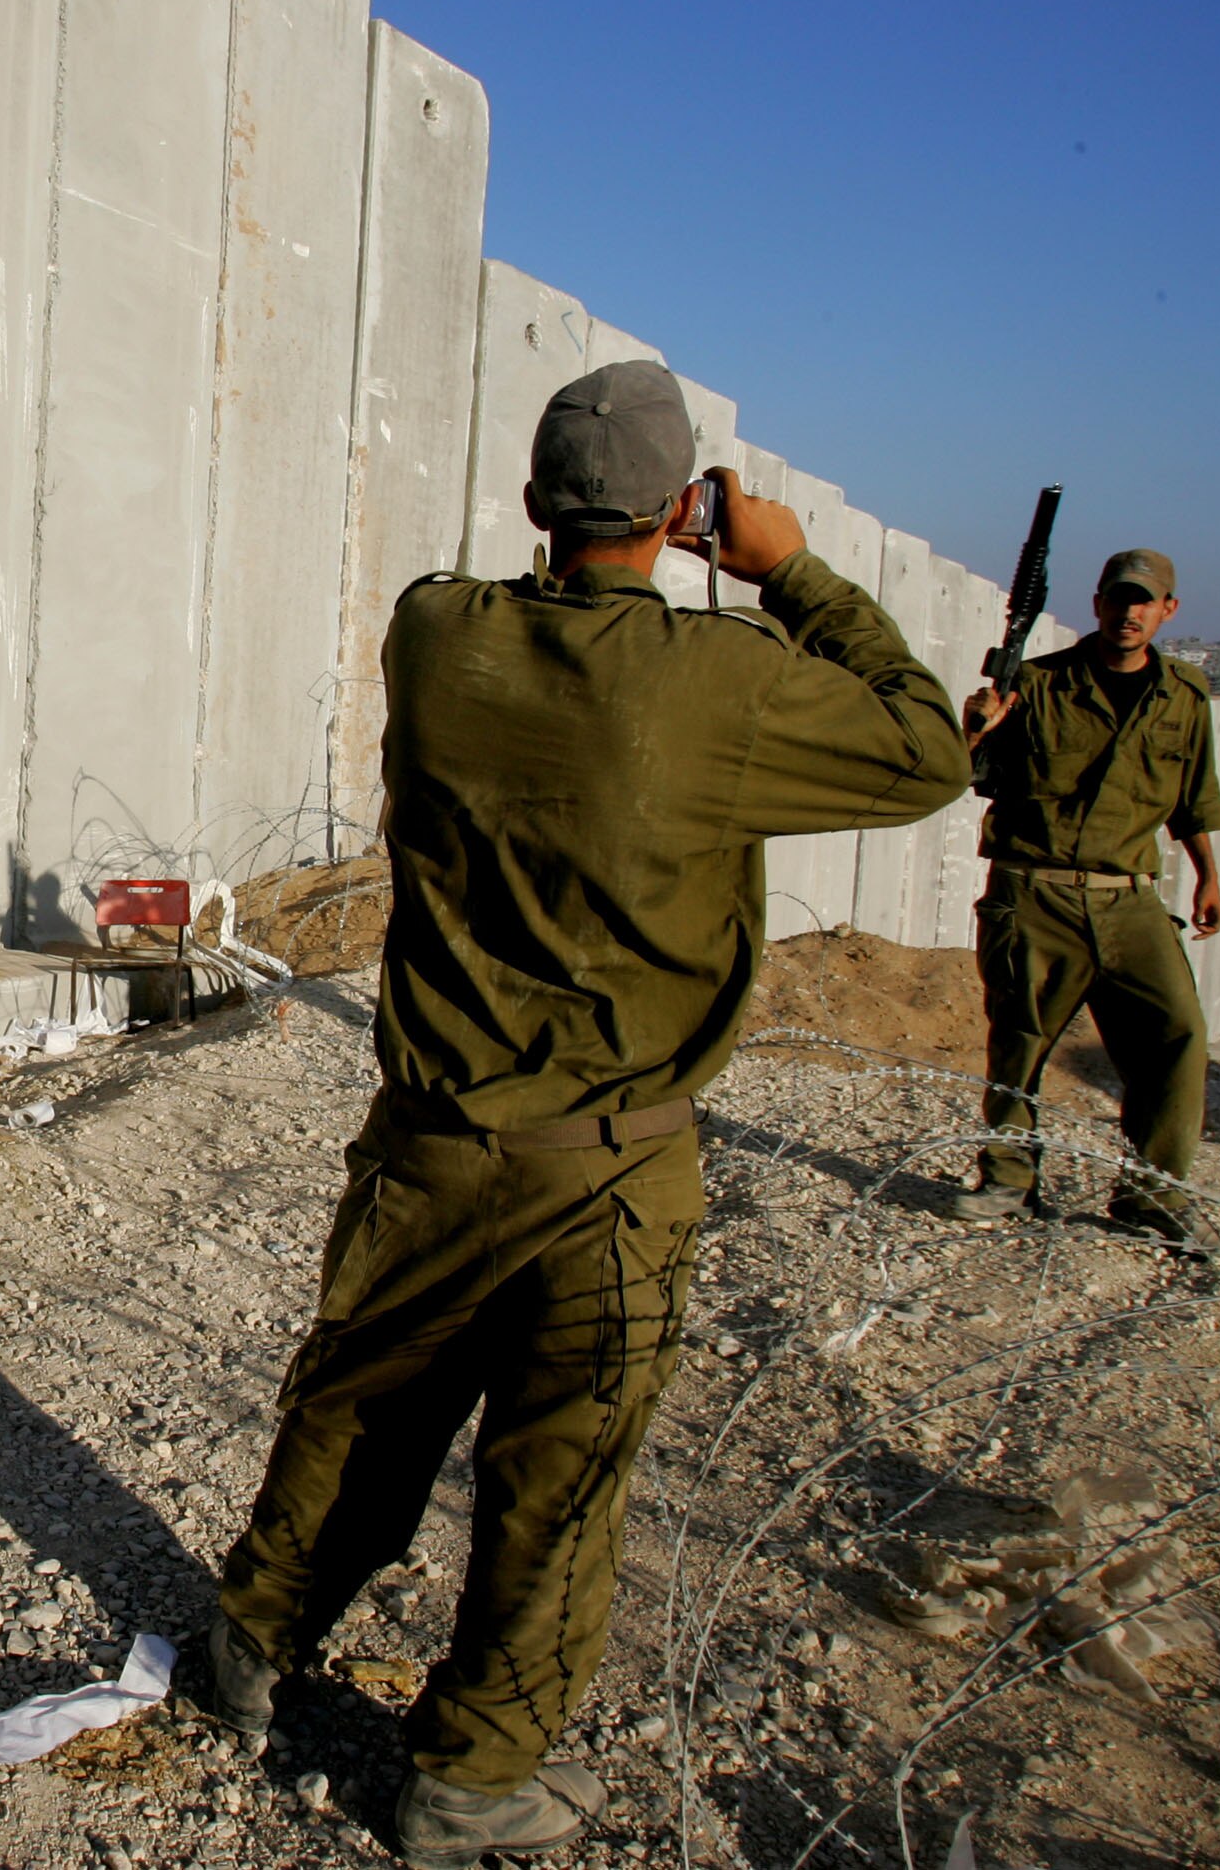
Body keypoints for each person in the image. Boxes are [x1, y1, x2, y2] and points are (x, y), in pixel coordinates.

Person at [201, 359, 970, 1865]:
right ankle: (470, 1776)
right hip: (611, 1171)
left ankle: (246, 1647)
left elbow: (519, 621)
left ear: (540, 504)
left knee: (358, 1412)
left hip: (430, 1140)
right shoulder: (724, 681)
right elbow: (930, 750)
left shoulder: (438, 637)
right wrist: (789, 571)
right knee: (557, 1481)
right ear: (681, 509)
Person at [955, 548, 1220, 1241]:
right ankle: (1009, 1181)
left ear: (1169, 609)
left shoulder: (1185, 698)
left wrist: (1209, 877)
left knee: (1179, 1037)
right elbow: (976, 773)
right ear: (1097, 603)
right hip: (1036, 891)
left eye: (1145, 601)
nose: (1129, 612)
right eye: (1117, 597)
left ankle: (1153, 1197)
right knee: (1021, 1043)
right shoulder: (1039, 685)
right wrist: (977, 725)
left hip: (1130, 898)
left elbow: (1192, 802)